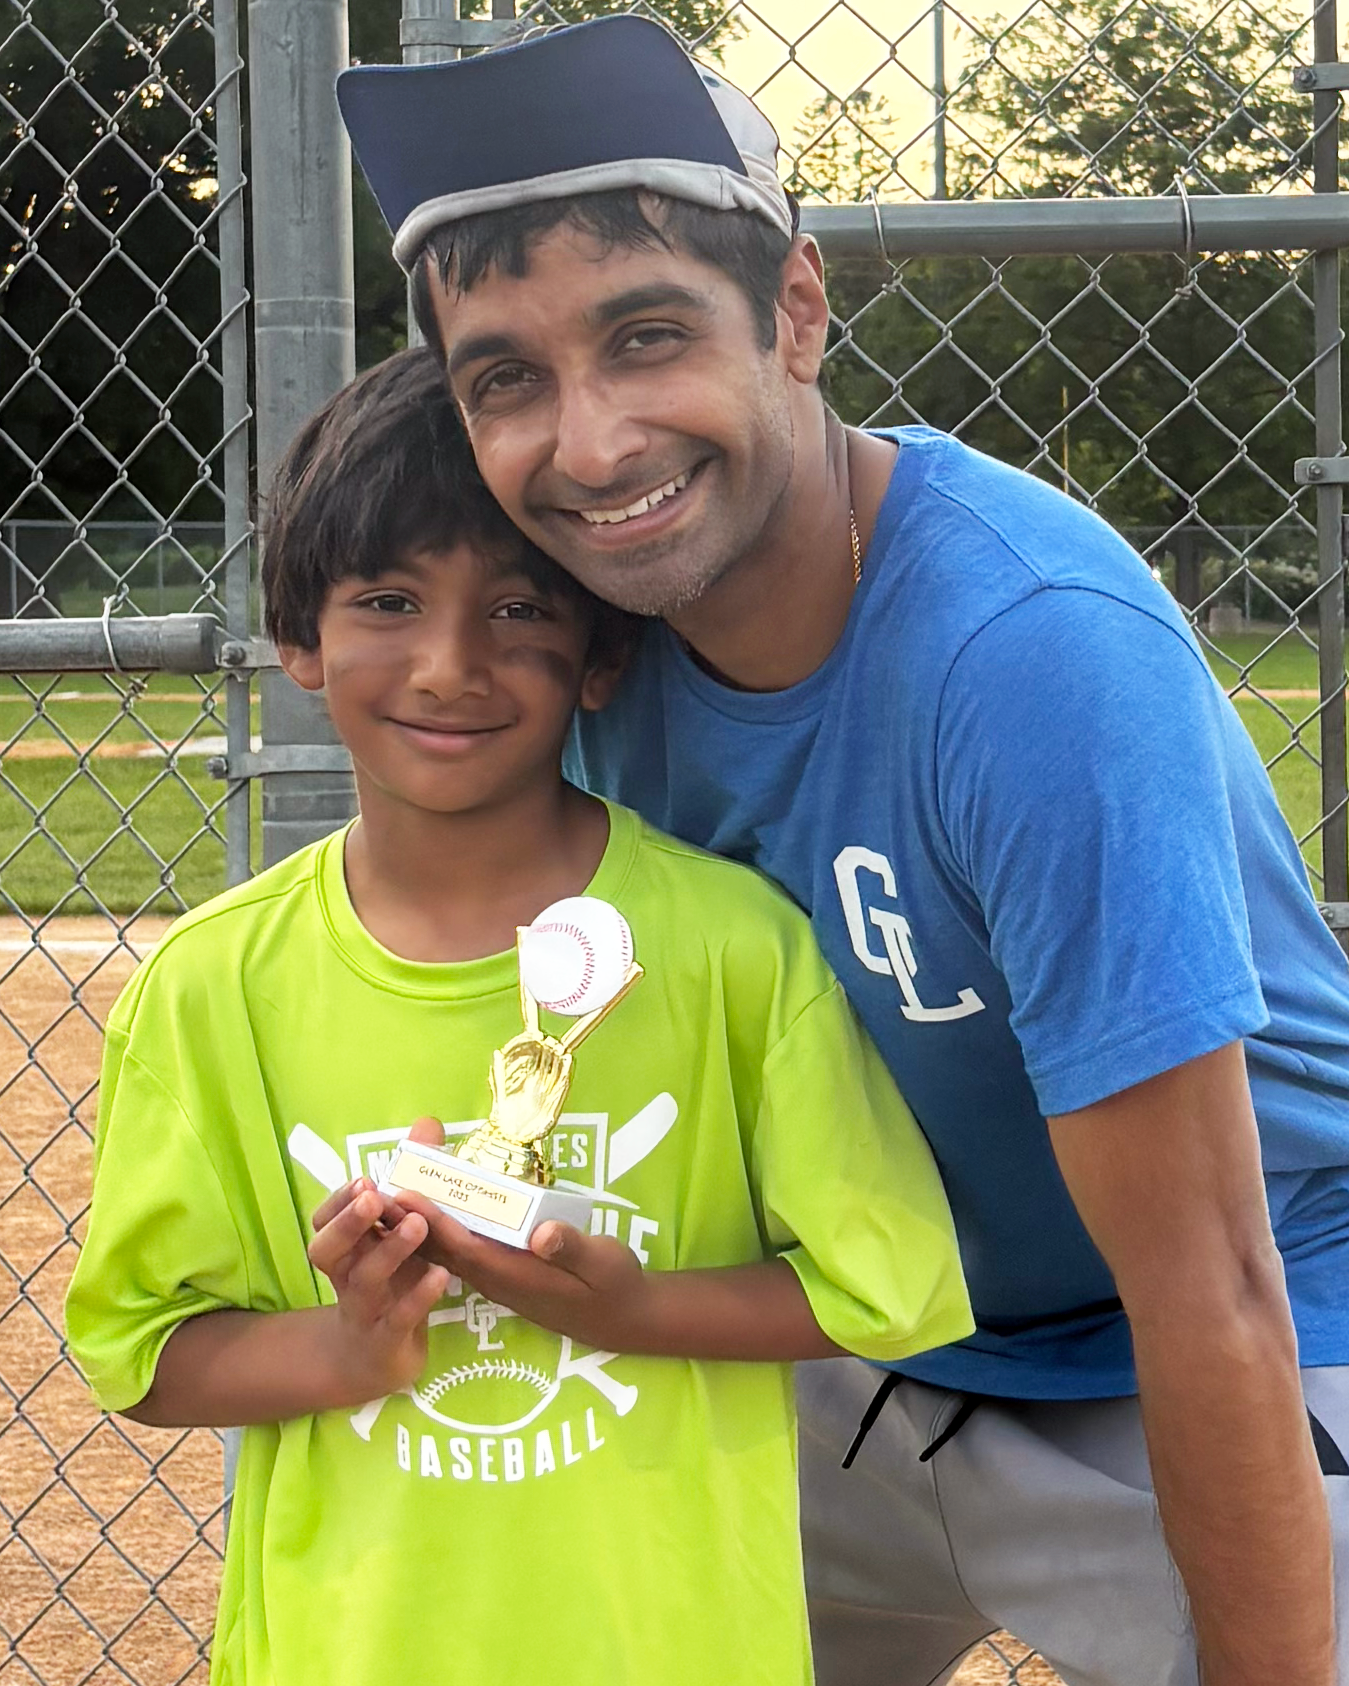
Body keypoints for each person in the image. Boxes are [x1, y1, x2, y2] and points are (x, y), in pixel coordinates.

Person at [337, 18, 1349, 1686]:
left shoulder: (1026, 654)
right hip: (845, 1333)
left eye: (647, 335)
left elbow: (1210, 1283)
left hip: (1233, 1328)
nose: (589, 447)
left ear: (798, 312)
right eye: (506, 376)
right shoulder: (578, 646)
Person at [62, 347, 971, 1686]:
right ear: (298, 640)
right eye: (387, 599)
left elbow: (886, 1288)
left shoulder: (731, 949)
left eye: (517, 611)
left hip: (671, 1645)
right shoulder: (213, 990)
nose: (448, 666)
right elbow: (141, 1352)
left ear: (602, 653)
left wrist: (633, 1309)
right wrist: (347, 1339)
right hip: (354, 1649)